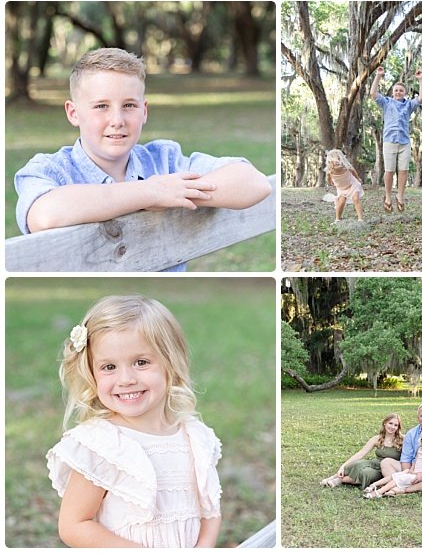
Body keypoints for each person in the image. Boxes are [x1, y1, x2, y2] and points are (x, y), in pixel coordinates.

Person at [14, 47, 272, 272]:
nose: (117, 120)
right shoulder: (49, 170)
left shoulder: (163, 160)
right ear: (73, 112)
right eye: (101, 106)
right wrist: (149, 193)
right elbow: (44, 215)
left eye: (129, 105)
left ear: (144, 111)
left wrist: (173, 192)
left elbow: (254, 183)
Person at [46, 295, 222, 547]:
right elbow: (74, 526)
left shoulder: (195, 436)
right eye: (108, 367)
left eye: (141, 362)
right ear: (92, 373)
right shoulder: (102, 446)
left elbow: (210, 509)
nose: (126, 378)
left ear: (171, 364)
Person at [370, 66, 422, 213]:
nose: (398, 92)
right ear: (393, 92)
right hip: (389, 141)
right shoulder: (386, 102)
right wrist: (378, 76)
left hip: (404, 142)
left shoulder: (408, 104)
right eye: (396, 90)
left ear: (405, 93)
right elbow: (373, 93)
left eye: (401, 90)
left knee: (403, 170)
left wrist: (420, 80)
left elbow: (421, 98)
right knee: (389, 171)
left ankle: (400, 196)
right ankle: (388, 197)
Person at [319, 413, 403, 490]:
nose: (392, 427)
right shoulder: (377, 439)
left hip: (385, 469)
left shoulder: (402, 440)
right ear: (385, 423)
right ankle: (332, 477)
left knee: (365, 473)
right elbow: (361, 453)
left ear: (398, 427)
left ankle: (340, 480)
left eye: (395, 425)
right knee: (356, 464)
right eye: (390, 423)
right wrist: (343, 466)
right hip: (374, 463)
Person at [363, 428, 422, 498]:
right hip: (413, 472)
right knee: (394, 475)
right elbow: (415, 460)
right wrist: (411, 469)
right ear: (421, 439)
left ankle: (378, 492)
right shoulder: (420, 448)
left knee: (397, 479)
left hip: (418, 476)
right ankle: (373, 485)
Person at [324, 149, 364, 222]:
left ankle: (360, 219)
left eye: (337, 161)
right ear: (330, 162)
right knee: (341, 202)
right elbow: (328, 178)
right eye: (333, 162)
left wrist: (357, 178)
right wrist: (331, 183)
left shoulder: (345, 167)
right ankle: (337, 219)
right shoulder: (329, 171)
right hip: (342, 188)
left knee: (356, 199)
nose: (336, 164)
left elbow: (353, 170)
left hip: (352, 185)